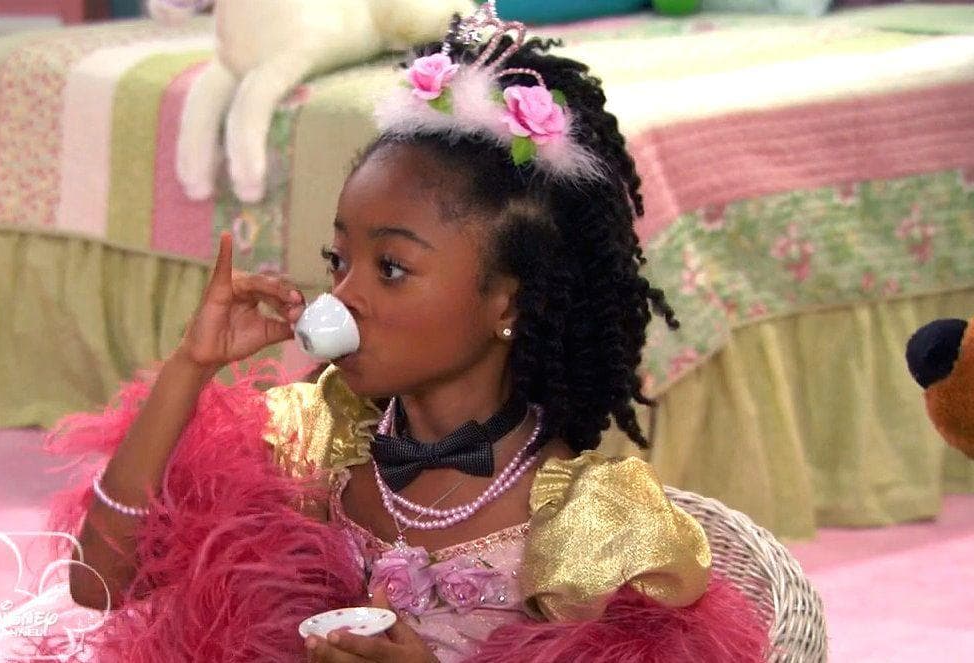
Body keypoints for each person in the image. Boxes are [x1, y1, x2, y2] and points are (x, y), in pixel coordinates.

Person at [41, 3, 769, 661]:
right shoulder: (315, 440)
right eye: (338, 259)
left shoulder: (588, 522)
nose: (343, 294)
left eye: (391, 267)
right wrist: (189, 366)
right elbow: (98, 582)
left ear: (508, 304)